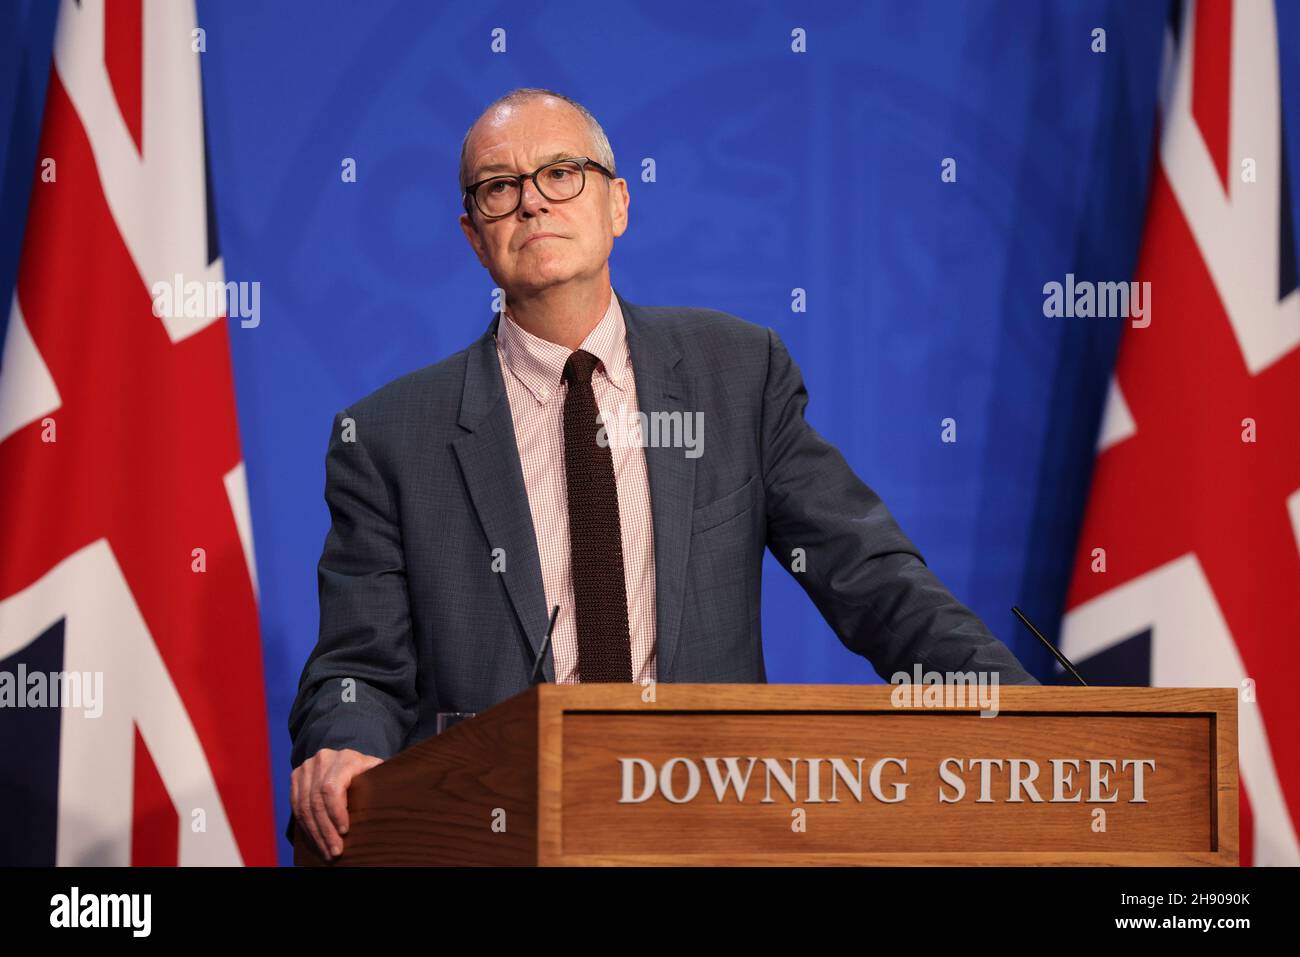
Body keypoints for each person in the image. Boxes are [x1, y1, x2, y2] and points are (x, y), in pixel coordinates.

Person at [288, 87, 1036, 861]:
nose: (533, 203)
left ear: (618, 203)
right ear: (474, 237)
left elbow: (874, 581)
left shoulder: (738, 374)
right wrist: (344, 745)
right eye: (499, 187)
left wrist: (1021, 714)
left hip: (706, 827)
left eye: (561, 172)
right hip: (500, 832)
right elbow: (359, 666)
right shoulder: (387, 436)